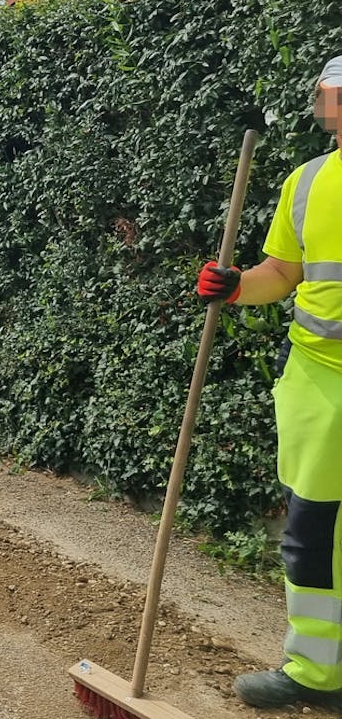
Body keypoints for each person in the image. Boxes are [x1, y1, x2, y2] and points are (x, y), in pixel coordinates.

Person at [199, 57, 342, 708]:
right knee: (312, 535)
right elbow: (284, 271)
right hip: (319, 381)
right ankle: (316, 675)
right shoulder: (309, 182)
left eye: (326, 94)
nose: (323, 105)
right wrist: (233, 286)